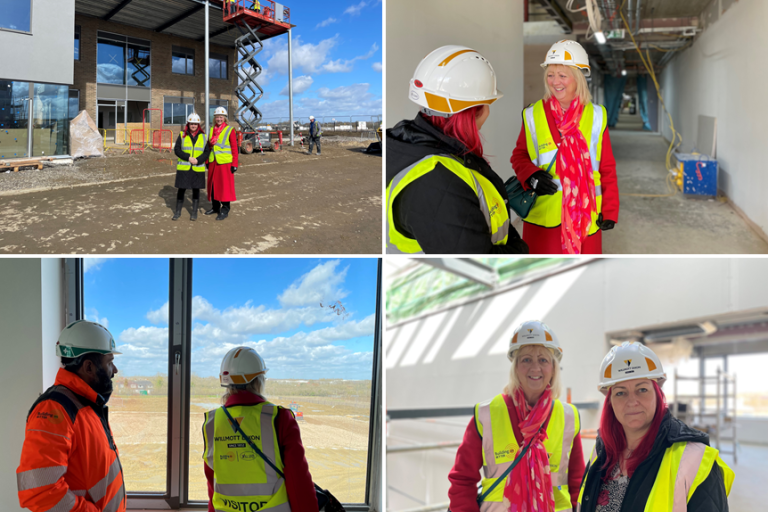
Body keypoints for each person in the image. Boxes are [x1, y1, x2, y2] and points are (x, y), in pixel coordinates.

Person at [386, 45, 528, 254]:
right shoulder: (436, 181)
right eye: (487, 102)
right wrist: (520, 250)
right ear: (474, 111)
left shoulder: (411, 145)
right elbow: (475, 268)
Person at [576, 342, 734, 512]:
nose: (632, 401)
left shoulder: (695, 459)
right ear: (610, 402)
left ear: (658, 394)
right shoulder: (602, 449)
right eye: (620, 392)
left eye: (642, 389)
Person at [448, 321, 584, 512]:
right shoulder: (487, 414)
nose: (535, 368)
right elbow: (462, 479)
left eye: (543, 360)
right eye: (526, 359)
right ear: (515, 367)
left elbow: (577, 484)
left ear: (553, 368)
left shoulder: (568, 417)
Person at [510, 40, 619, 254]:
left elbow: (606, 168)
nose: (555, 82)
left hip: (586, 219)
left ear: (577, 78)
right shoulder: (533, 114)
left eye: (562, 75)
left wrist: (610, 210)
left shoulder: (597, 116)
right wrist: (532, 176)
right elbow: (519, 156)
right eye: (550, 75)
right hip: (544, 219)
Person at [17, 320, 126, 512]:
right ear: (89, 367)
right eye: (110, 362)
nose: (114, 371)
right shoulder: (55, 409)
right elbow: (40, 492)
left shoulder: (85, 404)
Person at [202, 347, 317, 511]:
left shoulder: (212, 422)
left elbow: (212, 482)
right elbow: (298, 481)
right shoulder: (280, 418)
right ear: (258, 381)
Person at [173, 112, 210, 221]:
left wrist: (198, 160)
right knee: (181, 190)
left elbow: (206, 152)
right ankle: (177, 212)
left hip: (197, 168)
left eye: (195, 124)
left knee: (196, 190)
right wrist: (188, 158)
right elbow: (177, 150)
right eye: (191, 124)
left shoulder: (203, 137)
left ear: (198, 125)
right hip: (184, 168)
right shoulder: (181, 135)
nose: (193, 126)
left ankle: (194, 212)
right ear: (188, 124)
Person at [205, 106, 238, 221]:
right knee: (213, 186)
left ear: (224, 118)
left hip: (225, 163)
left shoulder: (230, 130)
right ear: (214, 118)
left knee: (224, 186)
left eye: (221, 117)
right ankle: (215, 207)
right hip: (213, 161)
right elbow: (209, 147)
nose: (219, 119)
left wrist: (235, 164)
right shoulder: (211, 130)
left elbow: (234, 148)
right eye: (217, 117)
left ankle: (225, 210)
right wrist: (207, 161)